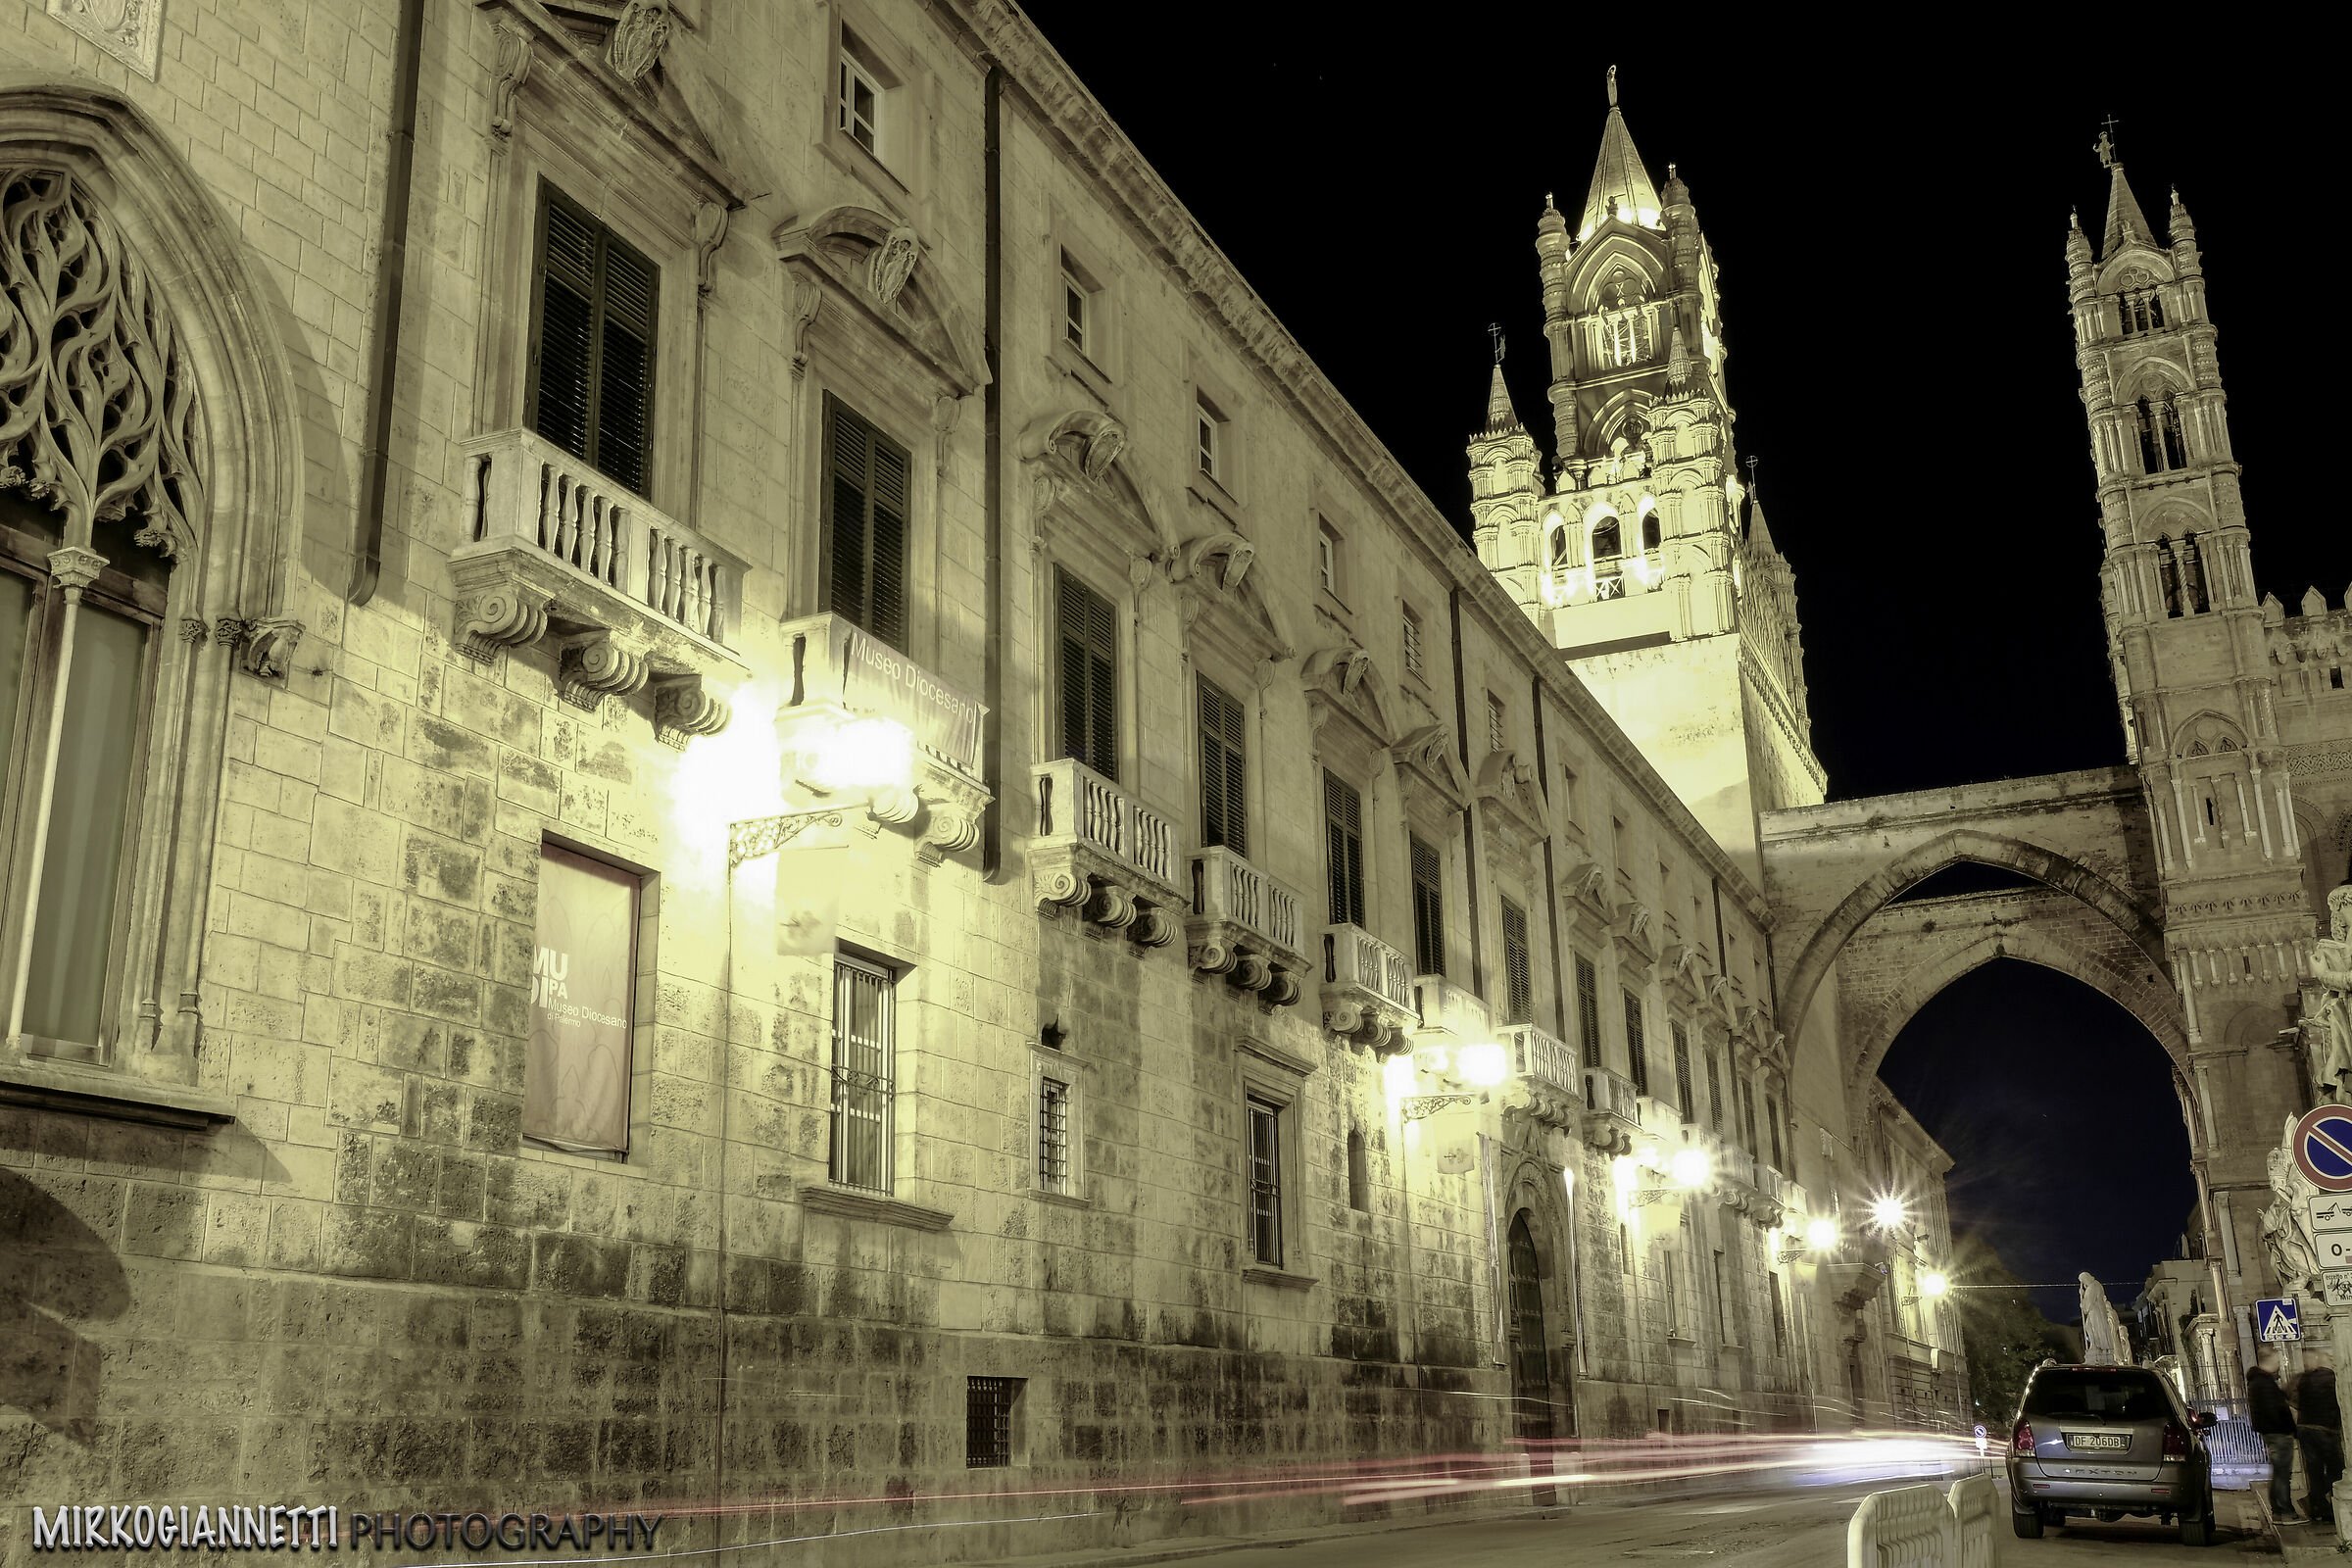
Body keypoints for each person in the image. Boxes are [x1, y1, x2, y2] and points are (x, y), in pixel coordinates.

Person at [2252, 1348, 2302, 1522]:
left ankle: (2278, 1510)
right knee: (2283, 1474)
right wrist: (2289, 1428)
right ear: (2269, 1361)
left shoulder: (2259, 1381)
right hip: (2278, 1432)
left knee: (2279, 1472)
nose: (2279, 1363)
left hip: (2271, 1431)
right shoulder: (2264, 1382)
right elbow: (2276, 1410)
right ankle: (2286, 1511)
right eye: (2277, 1359)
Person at [2294, 1354, 2343, 1526]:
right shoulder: (2332, 1378)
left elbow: (2294, 1399)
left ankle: (2320, 1507)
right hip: (2324, 1429)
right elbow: (2339, 1402)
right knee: (2338, 1469)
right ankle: (2317, 1500)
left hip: (2305, 1428)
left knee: (2314, 1469)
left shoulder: (2304, 1379)